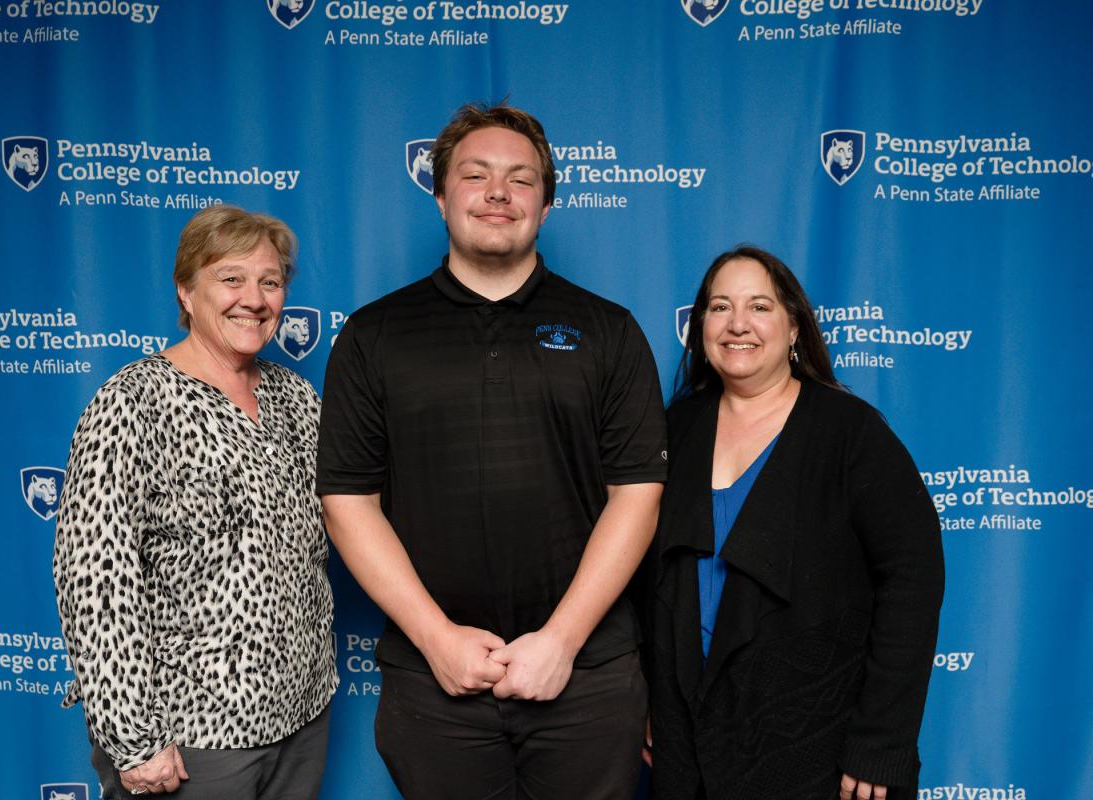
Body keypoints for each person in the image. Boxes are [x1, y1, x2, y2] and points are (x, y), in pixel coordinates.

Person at [316, 102, 667, 800]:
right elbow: (348, 503)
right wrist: (437, 637)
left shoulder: (608, 330)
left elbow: (638, 495)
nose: (498, 192)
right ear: (441, 195)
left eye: (521, 178)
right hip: (433, 679)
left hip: (588, 675)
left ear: (546, 203)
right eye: (475, 175)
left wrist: (562, 640)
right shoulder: (374, 335)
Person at [53, 206, 337, 799]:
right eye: (231, 278)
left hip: (301, 716)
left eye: (270, 281)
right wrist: (134, 739)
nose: (254, 299)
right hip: (191, 733)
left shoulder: (296, 398)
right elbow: (95, 580)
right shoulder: (132, 402)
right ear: (186, 290)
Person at [644, 246, 944, 800]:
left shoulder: (850, 433)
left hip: (817, 745)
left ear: (794, 329)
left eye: (759, 307)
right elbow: (648, 585)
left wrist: (882, 740)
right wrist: (648, 702)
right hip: (690, 743)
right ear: (701, 326)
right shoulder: (674, 429)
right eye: (719, 307)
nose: (738, 324)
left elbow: (914, 580)